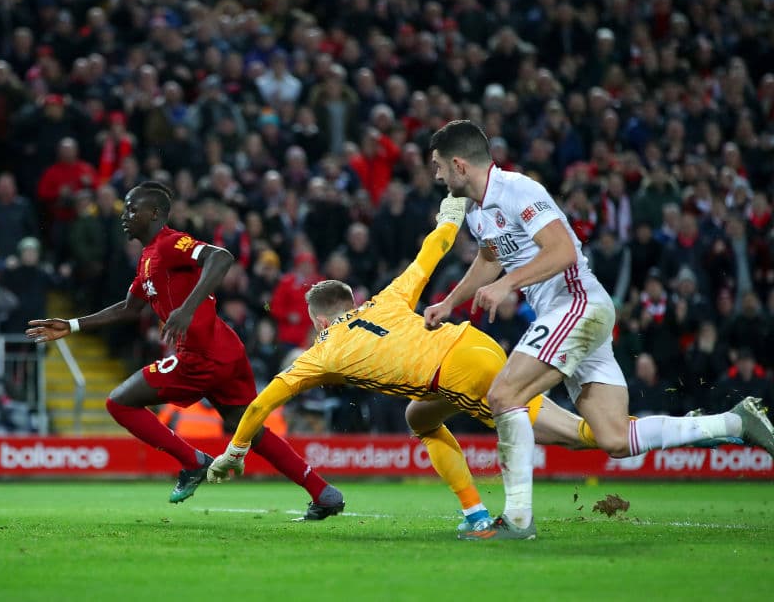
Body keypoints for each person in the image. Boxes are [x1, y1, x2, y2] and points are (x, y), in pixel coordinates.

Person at [207, 195, 733, 531]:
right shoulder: (386, 299)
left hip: (460, 374)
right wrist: (452, 211)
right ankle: (474, 511)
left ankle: (695, 429)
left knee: (584, 436)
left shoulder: (322, 351)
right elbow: (431, 250)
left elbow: (259, 405)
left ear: (321, 320)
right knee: (419, 416)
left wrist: (234, 452)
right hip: (471, 343)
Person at [420, 120, 774, 540]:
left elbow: (563, 251)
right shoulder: (478, 212)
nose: (437, 176)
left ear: (459, 165)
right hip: (573, 316)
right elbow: (489, 260)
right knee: (614, 438)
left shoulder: (518, 190)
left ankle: (516, 520)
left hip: (575, 304)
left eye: (439, 165)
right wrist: (450, 302)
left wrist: (508, 285)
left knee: (503, 395)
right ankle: (734, 423)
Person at [27, 181, 344, 518]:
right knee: (249, 428)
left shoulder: (169, 243)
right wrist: (73, 325)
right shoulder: (148, 258)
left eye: (132, 209)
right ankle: (323, 492)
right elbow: (129, 308)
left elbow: (220, 257)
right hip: (225, 350)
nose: (124, 216)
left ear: (154, 213)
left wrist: (187, 309)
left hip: (201, 356)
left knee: (119, 402)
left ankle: (193, 462)